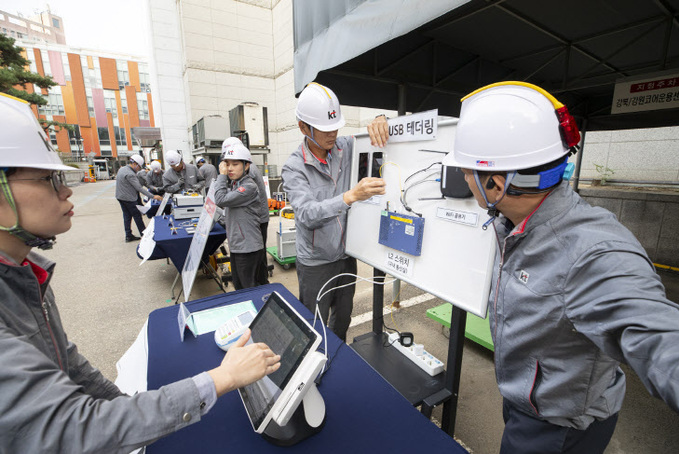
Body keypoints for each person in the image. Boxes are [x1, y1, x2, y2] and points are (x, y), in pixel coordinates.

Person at [375, 81, 679, 454]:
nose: (464, 181)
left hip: (557, 425)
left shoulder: (593, 252)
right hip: (527, 403)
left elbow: (659, 336)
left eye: (467, 173)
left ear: (497, 184)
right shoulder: (513, 219)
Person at [0, 93, 281, 453]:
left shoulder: (29, 273)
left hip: (249, 242)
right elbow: (72, 427)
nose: (67, 190)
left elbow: (66, 362)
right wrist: (222, 378)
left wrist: (121, 408)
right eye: (48, 180)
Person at [281, 82, 386, 342]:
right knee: (313, 324)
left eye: (335, 126)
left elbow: (373, 137)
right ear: (303, 127)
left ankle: (336, 360)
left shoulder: (344, 147)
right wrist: (350, 197)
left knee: (343, 318)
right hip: (315, 263)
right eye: (325, 129)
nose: (333, 133)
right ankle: (312, 372)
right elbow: (306, 214)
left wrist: (382, 120)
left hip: (346, 256)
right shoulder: (294, 167)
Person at [213, 140, 265, 290]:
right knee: (239, 286)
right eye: (227, 164)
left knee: (248, 288)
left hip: (247, 247)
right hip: (237, 246)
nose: (229, 169)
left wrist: (221, 176)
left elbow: (220, 199)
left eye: (235, 164)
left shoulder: (249, 186)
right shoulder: (236, 184)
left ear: (247, 165)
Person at [115, 154, 162, 242]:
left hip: (120, 197)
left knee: (127, 216)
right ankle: (144, 235)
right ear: (135, 164)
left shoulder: (122, 169)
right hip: (128, 198)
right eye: (139, 167)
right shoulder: (130, 174)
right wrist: (153, 196)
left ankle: (128, 235)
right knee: (137, 216)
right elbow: (139, 188)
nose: (139, 169)